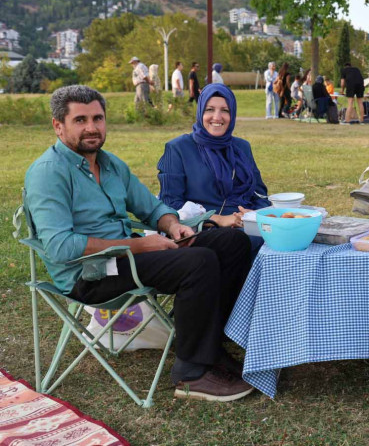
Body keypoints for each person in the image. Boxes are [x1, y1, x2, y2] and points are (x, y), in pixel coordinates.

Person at [25, 85, 255, 402]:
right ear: (58, 126)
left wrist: (172, 226)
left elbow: (152, 208)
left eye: (97, 118)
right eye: (80, 120)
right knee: (198, 262)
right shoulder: (48, 173)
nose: (91, 127)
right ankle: (192, 373)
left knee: (231, 241)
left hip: (127, 258)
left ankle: (209, 347)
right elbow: (60, 247)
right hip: (89, 274)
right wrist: (138, 247)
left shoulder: (111, 165)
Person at [158, 84, 271, 259]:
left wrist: (252, 215)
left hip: (246, 225)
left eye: (225, 110)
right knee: (241, 241)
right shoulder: (178, 148)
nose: (217, 117)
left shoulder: (242, 148)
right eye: (210, 109)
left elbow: (260, 194)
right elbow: (170, 203)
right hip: (200, 229)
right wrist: (218, 219)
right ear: (200, 112)